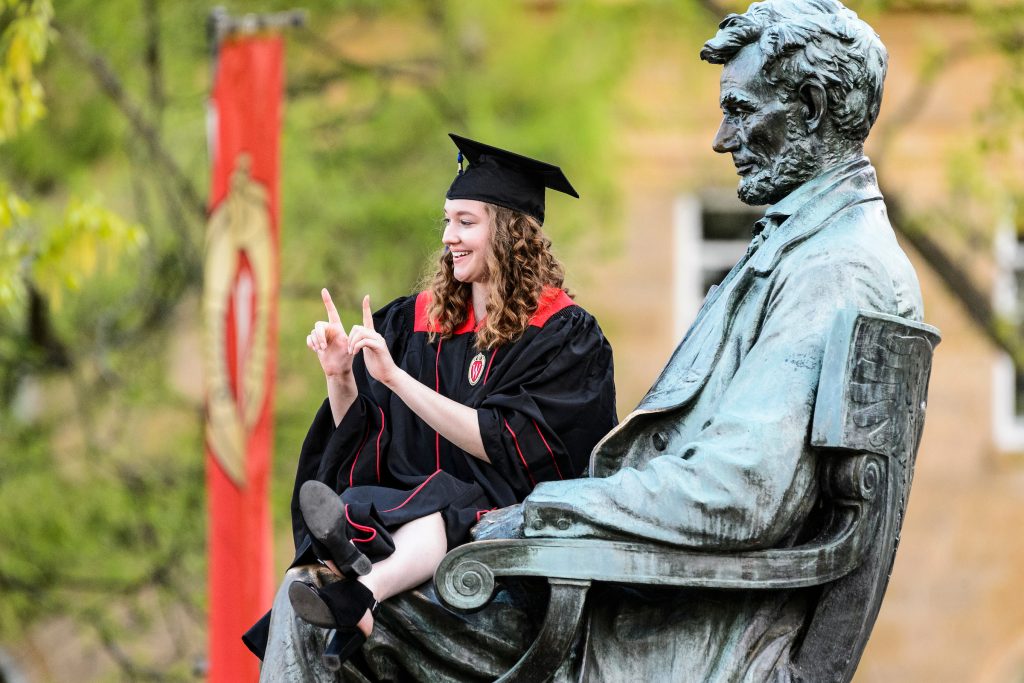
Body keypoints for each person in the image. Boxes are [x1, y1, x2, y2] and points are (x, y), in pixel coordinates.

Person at [334, 0, 926, 680]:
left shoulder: (834, 268)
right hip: (646, 586)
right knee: (331, 592)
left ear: (813, 108)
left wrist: (546, 510)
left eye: (740, 110)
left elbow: (740, 490)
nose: (722, 139)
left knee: (327, 608)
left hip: (674, 623)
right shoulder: (799, 248)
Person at [243, 134, 617, 678]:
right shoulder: (413, 322)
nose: (448, 237)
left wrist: (397, 380)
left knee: (442, 500)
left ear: (510, 233)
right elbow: (364, 437)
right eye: (446, 221)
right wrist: (340, 376)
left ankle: (361, 578)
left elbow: (509, 443)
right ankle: (352, 563)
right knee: (330, 551)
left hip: (501, 522)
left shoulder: (563, 336)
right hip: (409, 508)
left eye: (466, 222)